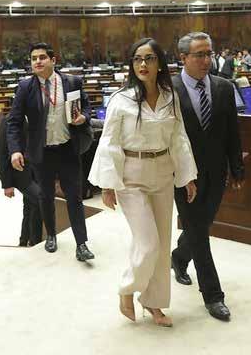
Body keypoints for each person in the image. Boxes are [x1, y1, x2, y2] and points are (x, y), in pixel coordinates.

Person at [88, 38, 197, 327]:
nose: (143, 64)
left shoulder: (170, 97)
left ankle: (154, 303)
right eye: (137, 59)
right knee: (148, 243)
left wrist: (187, 176)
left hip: (163, 173)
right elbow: (109, 142)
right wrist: (107, 184)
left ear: (159, 63)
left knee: (162, 244)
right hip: (131, 176)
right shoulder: (121, 99)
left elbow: (179, 138)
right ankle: (127, 288)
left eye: (149, 58)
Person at [171, 32, 245, 322]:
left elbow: (232, 131)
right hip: (183, 173)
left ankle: (179, 257)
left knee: (201, 224)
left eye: (209, 54)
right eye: (199, 55)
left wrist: (237, 167)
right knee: (200, 233)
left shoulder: (224, 87)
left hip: (216, 171)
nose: (206, 60)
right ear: (183, 58)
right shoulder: (169, 89)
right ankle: (213, 295)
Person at [7, 42, 95, 261]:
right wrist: (15, 150)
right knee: (46, 196)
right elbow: (14, 122)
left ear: (53, 60)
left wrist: (83, 117)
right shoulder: (25, 87)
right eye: (33, 58)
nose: (37, 61)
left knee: (74, 197)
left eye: (42, 57)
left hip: (67, 149)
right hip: (42, 152)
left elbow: (86, 107)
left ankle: (81, 244)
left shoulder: (72, 82)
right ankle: (52, 235)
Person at [0, 115, 45, 247]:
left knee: (29, 206)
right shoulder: (8, 120)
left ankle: (24, 240)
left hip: (35, 172)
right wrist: (7, 184)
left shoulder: (36, 117)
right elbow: (1, 154)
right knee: (39, 200)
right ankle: (36, 241)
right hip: (19, 174)